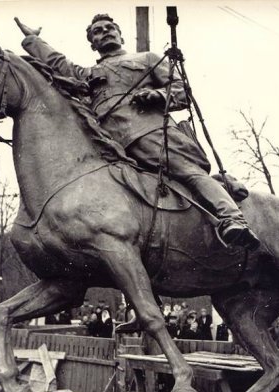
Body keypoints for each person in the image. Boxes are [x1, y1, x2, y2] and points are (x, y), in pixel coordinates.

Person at [15, 15, 259, 251]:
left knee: (187, 173)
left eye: (110, 27)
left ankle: (233, 218)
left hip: (148, 134)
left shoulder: (147, 59)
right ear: (93, 44)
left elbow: (181, 90)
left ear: (121, 35)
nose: (105, 32)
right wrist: (33, 41)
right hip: (109, 148)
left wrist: (159, 95)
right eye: (97, 31)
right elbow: (59, 64)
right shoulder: (87, 75)